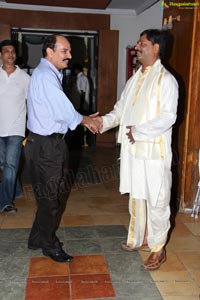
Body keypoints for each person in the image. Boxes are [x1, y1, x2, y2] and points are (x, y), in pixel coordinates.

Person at [95, 29, 178, 271]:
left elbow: (167, 117)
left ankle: (158, 248)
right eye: (138, 42)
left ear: (156, 48)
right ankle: (139, 238)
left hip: (153, 152)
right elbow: (120, 110)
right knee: (137, 195)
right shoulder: (134, 80)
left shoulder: (166, 80)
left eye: (142, 43)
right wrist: (103, 123)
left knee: (157, 198)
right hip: (133, 151)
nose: (138, 46)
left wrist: (137, 132)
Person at [25, 34, 99, 263]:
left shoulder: (42, 73)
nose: (69, 55)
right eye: (64, 51)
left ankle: (37, 237)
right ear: (49, 51)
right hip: (48, 146)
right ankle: (49, 244)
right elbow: (62, 109)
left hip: (39, 143)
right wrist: (86, 120)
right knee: (51, 198)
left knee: (45, 195)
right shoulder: (46, 75)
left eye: (68, 51)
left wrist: (82, 118)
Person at [0, 40, 30, 213]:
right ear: (1, 55)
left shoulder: (25, 78)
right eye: (6, 51)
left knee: (11, 165)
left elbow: (33, 103)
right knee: (4, 165)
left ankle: (5, 202)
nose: (10, 54)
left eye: (12, 51)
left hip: (16, 129)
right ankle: (16, 189)